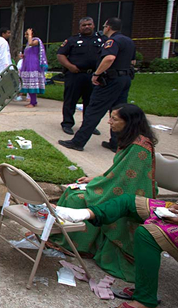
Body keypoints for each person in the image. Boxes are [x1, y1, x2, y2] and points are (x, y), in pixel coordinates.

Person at [53, 176, 178, 308]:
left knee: (147, 235)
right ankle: (82, 214)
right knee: (128, 201)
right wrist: (177, 207)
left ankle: (146, 302)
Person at [52, 104, 158, 282]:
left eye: (114, 119)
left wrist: (96, 186)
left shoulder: (139, 148)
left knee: (78, 199)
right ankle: (68, 239)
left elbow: (127, 182)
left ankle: (79, 246)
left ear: (129, 122)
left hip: (130, 194)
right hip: (117, 186)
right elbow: (117, 171)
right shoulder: (130, 140)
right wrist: (94, 178)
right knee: (72, 189)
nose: (109, 122)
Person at [59, 17, 136, 152]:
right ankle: (116, 143)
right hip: (125, 79)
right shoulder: (128, 41)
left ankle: (78, 142)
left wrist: (97, 74)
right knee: (118, 111)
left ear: (108, 27)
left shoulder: (112, 41)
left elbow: (109, 58)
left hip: (111, 80)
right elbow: (133, 62)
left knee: (94, 110)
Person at [57, 17, 105, 135]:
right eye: (84, 25)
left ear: (93, 25)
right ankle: (67, 123)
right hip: (75, 75)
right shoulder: (72, 40)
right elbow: (60, 54)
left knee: (91, 101)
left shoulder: (102, 40)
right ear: (80, 27)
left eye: (89, 24)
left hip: (93, 75)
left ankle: (89, 125)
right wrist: (69, 66)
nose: (87, 27)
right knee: (70, 100)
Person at [19, 28, 48, 107]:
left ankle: (33, 102)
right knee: (28, 83)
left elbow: (32, 43)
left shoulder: (36, 40)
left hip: (33, 64)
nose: (25, 36)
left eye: (27, 34)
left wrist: (30, 35)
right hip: (27, 64)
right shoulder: (28, 44)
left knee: (32, 83)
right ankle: (32, 101)